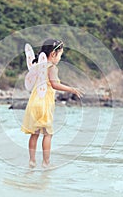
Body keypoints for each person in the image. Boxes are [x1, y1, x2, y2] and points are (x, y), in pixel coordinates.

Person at [21, 39, 83, 168]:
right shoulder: (52, 67)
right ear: (53, 54)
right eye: (60, 55)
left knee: (35, 133)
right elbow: (55, 85)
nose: (60, 58)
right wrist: (71, 89)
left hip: (34, 102)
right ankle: (46, 162)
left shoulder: (37, 66)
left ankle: (32, 161)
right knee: (48, 134)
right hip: (44, 103)